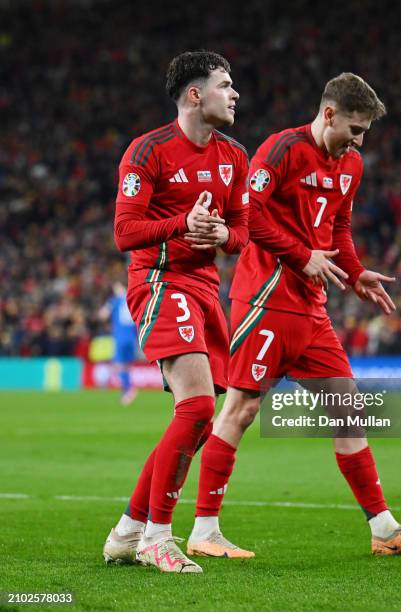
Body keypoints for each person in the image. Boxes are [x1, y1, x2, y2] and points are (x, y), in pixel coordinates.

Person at [186, 73, 401, 558]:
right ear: (328, 114)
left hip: (312, 309)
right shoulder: (282, 149)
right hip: (264, 300)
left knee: (349, 411)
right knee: (241, 411)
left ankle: (385, 530)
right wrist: (301, 254)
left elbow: (339, 226)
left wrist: (355, 271)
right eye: (354, 128)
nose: (360, 139)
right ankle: (204, 531)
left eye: (365, 131)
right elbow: (249, 215)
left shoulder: (352, 163)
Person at [102, 50, 249, 573]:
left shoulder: (234, 155)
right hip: (161, 282)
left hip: (206, 288)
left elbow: (243, 231)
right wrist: (181, 223)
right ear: (194, 94)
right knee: (198, 409)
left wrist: (224, 234)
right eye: (225, 84)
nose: (234, 94)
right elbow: (125, 233)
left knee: (196, 420)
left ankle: (127, 529)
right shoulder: (148, 151)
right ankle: (158, 538)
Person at [98, 281, 138, 405]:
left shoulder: (115, 301)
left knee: (120, 364)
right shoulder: (133, 299)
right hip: (132, 337)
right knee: (125, 365)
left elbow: (102, 315)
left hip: (120, 336)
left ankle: (127, 390)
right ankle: (126, 389)